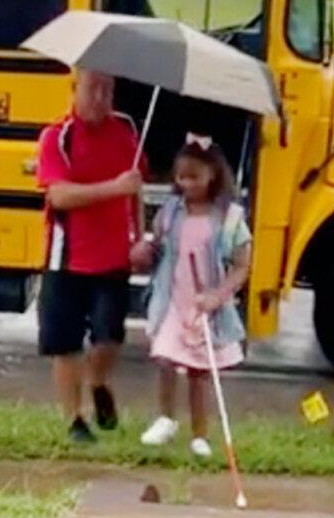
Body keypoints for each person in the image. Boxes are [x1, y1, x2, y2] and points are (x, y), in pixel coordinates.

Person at [36, 69, 144, 443]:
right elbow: (59, 196)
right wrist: (113, 188)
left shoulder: (125, 130)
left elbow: (136, 189)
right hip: (66, 257)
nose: (101, 98)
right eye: (93, 89)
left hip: (113, 256)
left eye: (108, 90)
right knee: (63, 342)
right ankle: (74, 420)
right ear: (74, 89)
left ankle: (98, 383)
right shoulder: (57, 137)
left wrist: (139, 237)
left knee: (109, 337)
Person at [130, 134, 251, 458]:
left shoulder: (229, 218)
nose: (186, 183)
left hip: (204, 307)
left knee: (200, 372)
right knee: (166, 358)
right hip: (173, 300)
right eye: (181, 176)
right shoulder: (170, 212)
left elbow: (242, 266)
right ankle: (165, 418)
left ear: (213, 174)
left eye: (194, 176)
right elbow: (158, 247)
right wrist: (146, 249)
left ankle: (200, 434)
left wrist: (218, 296)